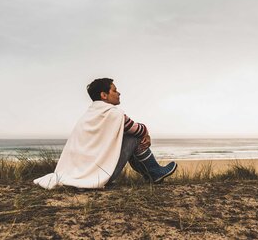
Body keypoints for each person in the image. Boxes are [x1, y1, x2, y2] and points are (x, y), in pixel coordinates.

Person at [33, 78, 177, 189]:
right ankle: (155, 173)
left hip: (83, 173)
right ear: (104, 95)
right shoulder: (114, 113)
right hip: (101, 176)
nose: (119, 93)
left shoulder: (87, 115)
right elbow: (137, 129)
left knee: (129, 135)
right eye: (114, 90)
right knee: (133, 137)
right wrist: (146, 133)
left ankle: (152, 175)